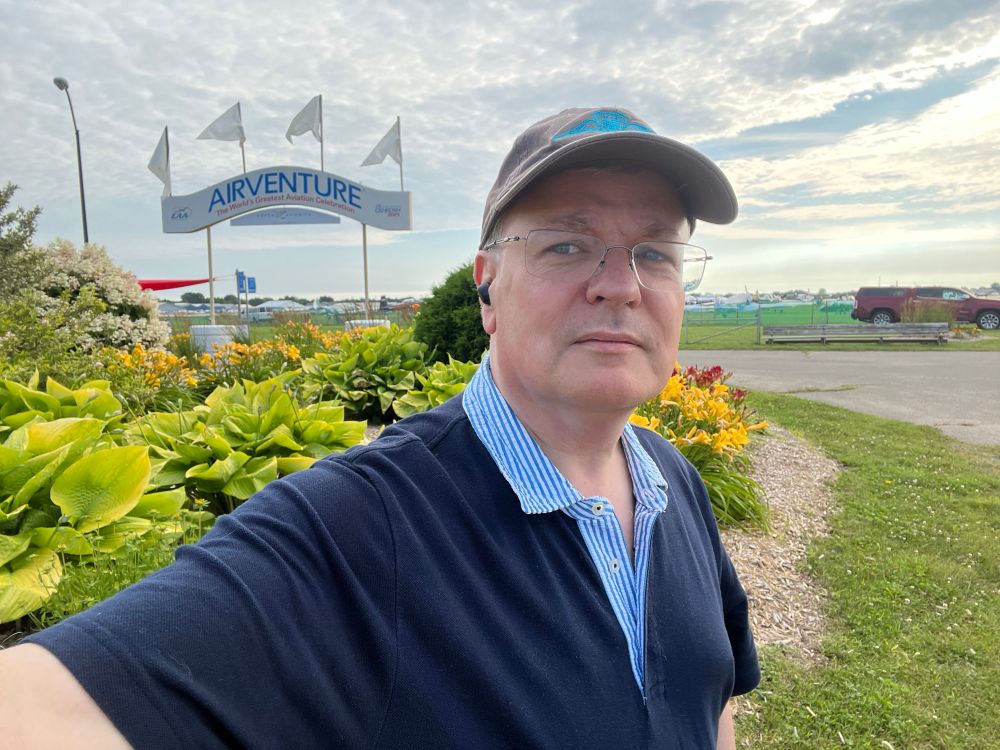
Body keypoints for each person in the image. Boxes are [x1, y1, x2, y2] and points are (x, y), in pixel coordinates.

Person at [0, 106, 758, 749]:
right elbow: (35, 709)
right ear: (487, 288)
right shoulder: (357, 527)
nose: (621, 286)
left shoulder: (671, 480)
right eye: (567, 244)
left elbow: (709, 700)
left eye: (655, 252)